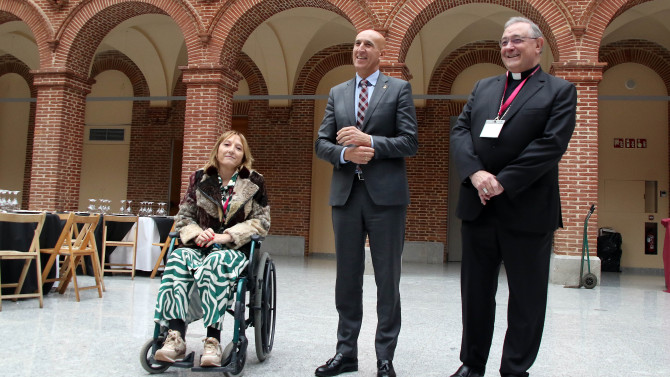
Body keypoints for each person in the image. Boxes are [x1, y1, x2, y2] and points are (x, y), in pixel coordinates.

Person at [449, 17, 577, 377]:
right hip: (479, 206)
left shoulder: (559, 90)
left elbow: (551, 144)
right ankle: (471, 365)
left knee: (526, 298)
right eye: (504, 41)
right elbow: (460, 132)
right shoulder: (484, 87)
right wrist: (475, 174)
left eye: (517, 40)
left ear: (538, 45)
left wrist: (503, 181)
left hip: (528, 209)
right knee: (475, 294)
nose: (508, 47)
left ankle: (515, 369)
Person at [314, 29, 419, 377]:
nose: (360, 48)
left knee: (387, 279)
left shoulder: (398, 89)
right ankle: (346, 354)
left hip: (386, 200)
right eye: (357, 43)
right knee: (347, 279)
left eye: (368, 44)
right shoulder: (337, 92)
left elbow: (409, 142)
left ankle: (385, 357)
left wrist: (369, 141)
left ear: (381, 53)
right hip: (346, 197)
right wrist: (346, 153)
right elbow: (322, 144)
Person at [153, 130, 270, 367]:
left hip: (233, 251)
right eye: (227, 144)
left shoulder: (254, 182)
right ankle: (175, 337)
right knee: (177, 258)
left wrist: (225, 236)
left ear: (243, 155)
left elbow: (261, 221)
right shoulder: (199, 178)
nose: (231, 150)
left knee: (215, 263)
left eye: (238, 147)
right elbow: (184, 216)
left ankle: (213, 340)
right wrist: (198, 232)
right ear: (217, 150)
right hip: (199, 246)